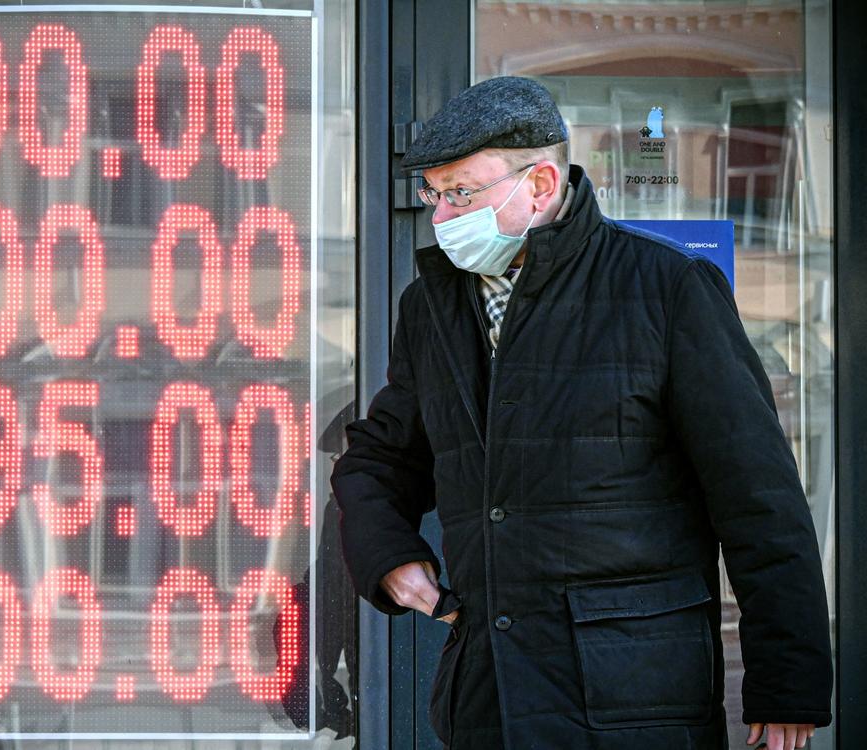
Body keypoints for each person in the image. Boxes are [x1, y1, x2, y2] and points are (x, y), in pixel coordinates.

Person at [330, 77, 832, 750]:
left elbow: (759, 500)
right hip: (491, 699)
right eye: (434, 194)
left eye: (461, 193)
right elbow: (379, 460)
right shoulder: (433, 310)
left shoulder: (667, 291)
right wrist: (387, 555)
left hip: (634, 703)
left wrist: (787, 686)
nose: (442, 217)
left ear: (538, 185)